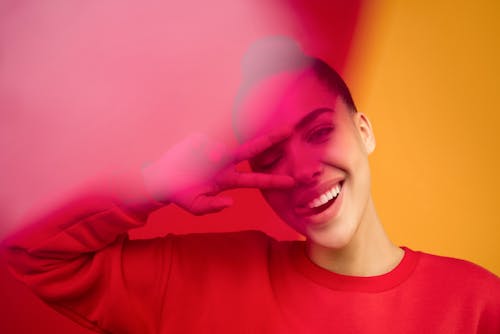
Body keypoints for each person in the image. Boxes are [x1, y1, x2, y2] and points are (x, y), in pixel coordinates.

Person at [3, 36, 500, 333]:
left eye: (320, 131)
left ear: (364, 131)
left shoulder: (476, 304)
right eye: (269, 153)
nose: (303, 170)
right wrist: (151, 186)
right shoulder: (193, 281)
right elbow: (32, 252)